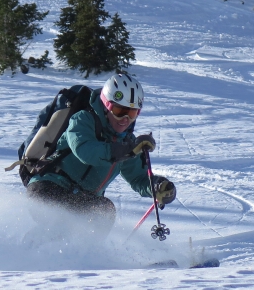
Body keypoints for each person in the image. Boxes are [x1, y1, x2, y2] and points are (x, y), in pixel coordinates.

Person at [26, 73, 176, 232]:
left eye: (132, 113)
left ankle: (89, 256)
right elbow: (86, 151)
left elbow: (138, 178)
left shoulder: (127, 142)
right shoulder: (83, 120)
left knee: (105, 210)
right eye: (119, 111)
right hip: (48, 188)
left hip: (81, 199)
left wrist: (158, 187)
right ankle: (42, 252)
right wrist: (128, 150)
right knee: (62, 229)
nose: (125, 119)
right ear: (106, 105)